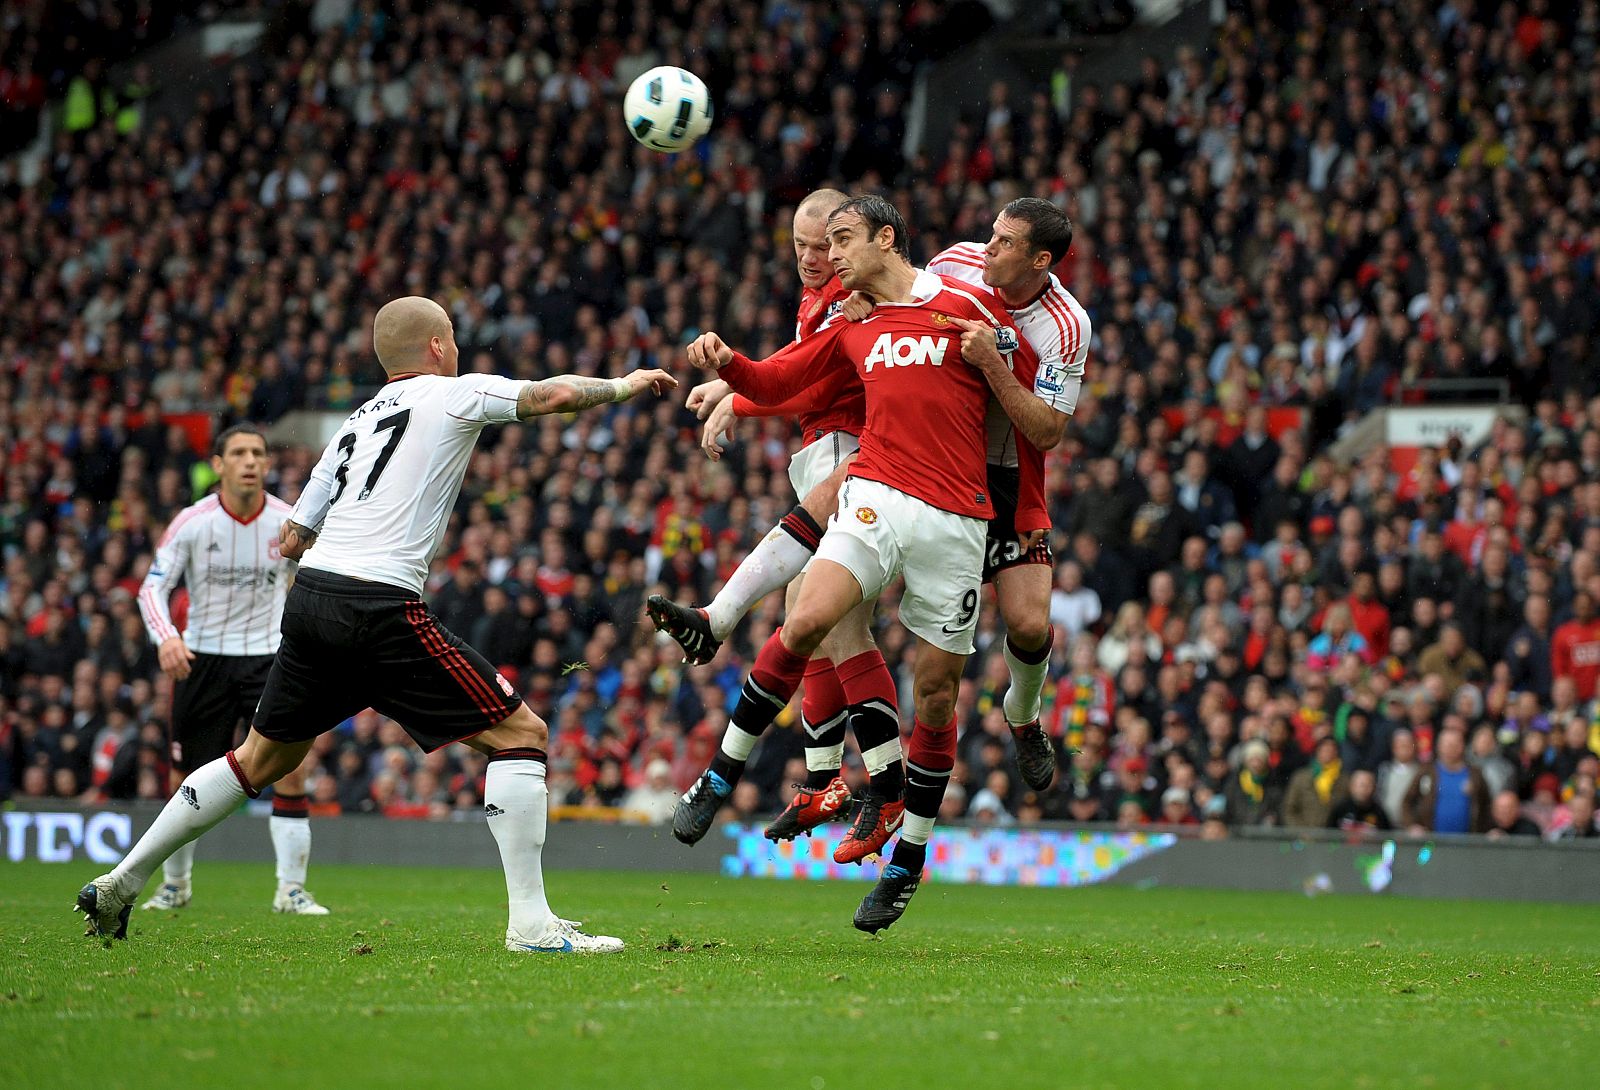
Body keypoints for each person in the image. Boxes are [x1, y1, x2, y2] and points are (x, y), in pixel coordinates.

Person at [76, 296, 675, 953]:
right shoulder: (454, 393)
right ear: (439, 348)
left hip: (314, 600)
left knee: (259, 758)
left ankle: (122, 881)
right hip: (378, 604)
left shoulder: (354, 422)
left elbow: (294, 535)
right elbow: (552, 395)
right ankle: (530, 924)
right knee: (521, 733)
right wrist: (624, 385)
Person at [673, 195, 1043, 934]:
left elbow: (1030, 408)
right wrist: (729, 366)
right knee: (806, 617)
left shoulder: (969, 308)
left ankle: (908, 861)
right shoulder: (852, 323)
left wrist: (992, 361)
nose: (829, 256)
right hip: (872, 496)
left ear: (886, 238)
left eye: (842, 240)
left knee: (936, 696)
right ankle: (720, 776)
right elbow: (779, 382)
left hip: (956, 520)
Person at [659, 188, 892, 844]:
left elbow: (816, 385)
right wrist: (738, 393)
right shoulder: (818, 297)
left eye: (826, 245)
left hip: (854, 452)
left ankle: (881, 787)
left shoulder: (856, 300)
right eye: (801, 246)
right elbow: (802, 377)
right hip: (829, 451)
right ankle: (826, 783)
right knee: (809, 617)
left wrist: (740, 397)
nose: (813, 258)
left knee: (836, 629)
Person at [923, 197, 1089, 792]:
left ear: (1041, 260)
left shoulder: (1066, 324)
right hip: (940, 469)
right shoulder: (950, 266)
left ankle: (1022, 716)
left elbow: (1046, 429)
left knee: (1026, 622)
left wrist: (994, 363)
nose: (987, 248)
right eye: (992, 235)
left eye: (1005, 243)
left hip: (1012, 480)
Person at [135, 423, 329, 916]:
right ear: (218, 465)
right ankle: (176, 886)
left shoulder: (291, 522)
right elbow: (151, 588)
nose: (249, 461)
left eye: (257, 454)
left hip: (268, 660)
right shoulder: (193, 523)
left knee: (290, 766)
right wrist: (167, 639)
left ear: (267, 465)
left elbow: (317, 580)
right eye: (238, 453)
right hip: (203, 660)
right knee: (185, 773)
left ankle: (291, 890)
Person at [1402, 727, 1491, 835]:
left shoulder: (1475, 774)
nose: (1451, 748)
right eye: (1447, 744)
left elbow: (1487, 805)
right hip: (1431, 841)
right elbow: (1406, 802)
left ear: (1462, 746)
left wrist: (1489, 830)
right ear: (1439, 746)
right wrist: (1412, 826)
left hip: (1468, 844)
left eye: (1455, 744)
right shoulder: (1427, 772)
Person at [1282, 735, 1347, 828]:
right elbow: (1289, 808)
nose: (1328, 753)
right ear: (1317, 751)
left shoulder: (1344, 780)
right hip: (1303, 837)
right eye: (1324, 749)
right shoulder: (1301, 777)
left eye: (1332, 750)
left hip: (1331, 837)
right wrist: (1301, 832)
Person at [1325, 769, 1393, 831]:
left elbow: (1388, 839)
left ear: (1374, 788)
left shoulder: (1379, 812)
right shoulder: (1340, 809)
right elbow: (1327, 836)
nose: (1364, 789)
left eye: (1368, 785)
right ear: (1352, 786)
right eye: (1361, 785)